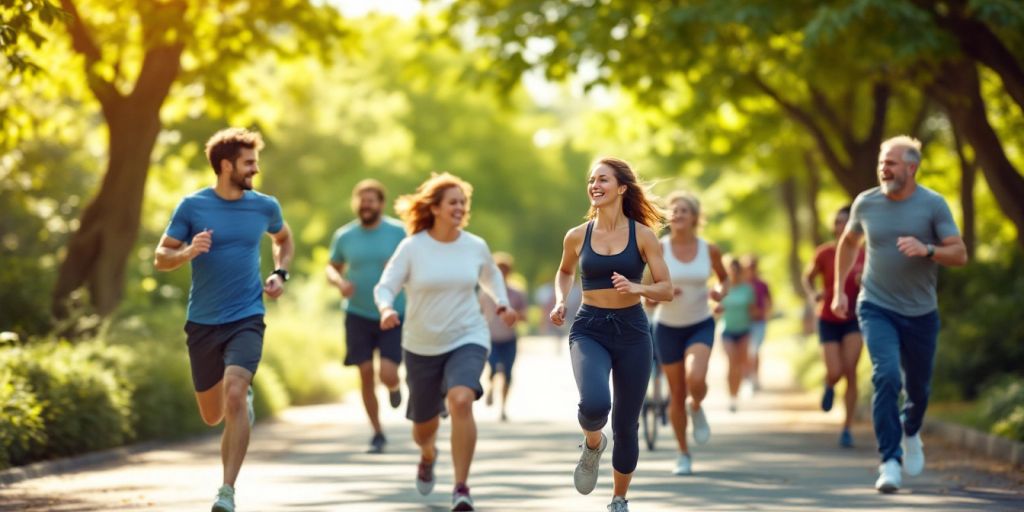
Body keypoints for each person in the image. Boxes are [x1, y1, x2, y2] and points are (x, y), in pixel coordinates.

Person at [154, 128, 293, 512]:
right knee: (213, 414)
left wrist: (280, 274)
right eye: (249, 162)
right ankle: (238, 404)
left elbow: (283, 239)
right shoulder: (192, 207)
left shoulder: (264, 206)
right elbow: (160, 258)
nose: (256, 169)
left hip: (247, 315)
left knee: (234, 392)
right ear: (226, 165)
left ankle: (226, 491)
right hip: (202, 322)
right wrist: (187, 253)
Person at [832, 135, 967, 493]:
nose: (883, 168)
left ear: (911, 167)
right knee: (886, 375)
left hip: (921, 312)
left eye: (891, 163)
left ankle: (911, 430)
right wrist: (838, 292)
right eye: (881, 162)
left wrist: (927, 249)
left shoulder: (933, 205)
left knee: (918, 390)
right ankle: (889, 460)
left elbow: (959, 254)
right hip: (876, 305)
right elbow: (848, 243)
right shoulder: (866, 202)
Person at [374, 172, 515, 512]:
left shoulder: (475, 246)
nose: (460, 208)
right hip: (421, 344)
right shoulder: (413, 246)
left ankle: (461, 487)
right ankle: (428, 454)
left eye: (463, 202)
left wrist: (502, 302)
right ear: (434, 208)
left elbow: (492, 278)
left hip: (467, 335)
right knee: (424, 430)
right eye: (453, 202)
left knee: (462, 399)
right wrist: (386, 308)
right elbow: (386, 285)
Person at [549, 157, 672, 512]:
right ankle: (591, 445)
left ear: (621, 188)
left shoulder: (643, 236)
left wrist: (637, 287)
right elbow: (564, 271)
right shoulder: (577, 235)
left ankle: (619, 499)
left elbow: (665, 289)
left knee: (625, 423)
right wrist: (560, 301)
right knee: (594, 405)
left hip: (633, 331)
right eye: (591, 180)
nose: (594, 185)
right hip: (590, 328)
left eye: (603, 179)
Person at [646, 192, 729, 476]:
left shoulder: (709, 249)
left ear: (694, 217)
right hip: (667, 327)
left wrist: (720, 293)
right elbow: (646, 294)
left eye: (683, 210)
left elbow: (724, 277)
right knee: (676, 393)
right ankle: (683, 453)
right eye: (674, 210)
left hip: (700, 322)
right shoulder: (659, 247)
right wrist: (661, 294)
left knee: (696, 378)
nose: (677, 214)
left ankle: (697, 405)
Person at [326, 179, 407, 454]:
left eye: (371, 200)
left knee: (387, 372)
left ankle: (394, 386)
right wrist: (339, 283)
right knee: (364, 373)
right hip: (357, 312)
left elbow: (416, 264)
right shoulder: (345, 236)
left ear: (381, 204)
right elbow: (332, 267)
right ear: (356, 203)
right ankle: (377, 432)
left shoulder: (398, 232)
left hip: (392, 312)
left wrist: (400, 269)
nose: (366, 205)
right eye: (362, 200)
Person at [803, 205, 866, 448]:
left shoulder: (866, 254)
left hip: (854, 318)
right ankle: (829, 384)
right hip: (828, 318)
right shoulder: (825, 253)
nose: (842, 226)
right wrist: (814, 294)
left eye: (846, 221)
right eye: (838, 222)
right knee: (835, 371)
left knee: (850, 371)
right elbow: (807, 278)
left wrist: (865, 282)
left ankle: (847, 428)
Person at [480, 252, 528, 422]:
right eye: (498, 270)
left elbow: (525, 316)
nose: (502, 273)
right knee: (492, 369)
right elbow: (477, 313)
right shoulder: (485, 293)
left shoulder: (517, 293)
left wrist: (514, 315)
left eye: (505, 270)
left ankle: (503, 408)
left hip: (509, 338)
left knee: (507, 373)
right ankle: (491, 387)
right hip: (490, 338)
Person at [716, 257, 754, 413]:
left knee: (740, 364)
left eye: (737, 270)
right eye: (732, 270)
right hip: (727, 330)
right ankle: (731, 397)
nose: (735, 273)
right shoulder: (723, 288)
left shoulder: (747, 289)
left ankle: (736, 394)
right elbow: (715, 306)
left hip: (744, 330)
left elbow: (752, 310)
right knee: (732, 363)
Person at [743, 255, 772, 392]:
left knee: (754, 351)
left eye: (752, 267)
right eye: (748, 267)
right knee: (746, 352)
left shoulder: (762, 284)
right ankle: (747, 377)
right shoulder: (741, 284)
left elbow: (769, 302)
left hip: (759, 323)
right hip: (743, 322)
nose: (750, 270)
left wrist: (764, 313)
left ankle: (755, 377)